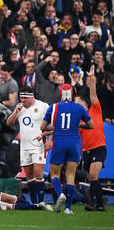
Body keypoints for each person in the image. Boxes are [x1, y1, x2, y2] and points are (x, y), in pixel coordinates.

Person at [41, 84, 94, 214]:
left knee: (54, 174)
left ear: (60, 94)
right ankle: (68, 208)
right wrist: (78, 125)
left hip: (59, 141)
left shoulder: (53, 107)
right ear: (72, 94)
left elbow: (43, 126)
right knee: (71, 175)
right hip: (74, 143)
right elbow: (91, 125)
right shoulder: (78, 107)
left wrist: (55, 128)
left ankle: (60, 194)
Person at [7, 86, 50, 205]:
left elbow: (53, 124)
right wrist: (16, 112)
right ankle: (34, 203)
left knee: (38, 172)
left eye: (25, 98)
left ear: (32, 97)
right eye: (21, 98)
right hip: (24, 146)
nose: (23, 100)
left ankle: (41, 202)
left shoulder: (43, 106)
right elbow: (9, 123)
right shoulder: (20, 108)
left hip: (38, 145)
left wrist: (50, 138)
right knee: (29, 175)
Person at [75, 65, 107, 211]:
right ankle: (97, 204)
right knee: (92, 178)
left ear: (85, 104)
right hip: (86, 151)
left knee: (93, 175)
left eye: (79, 102)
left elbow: (93, 93)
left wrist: (92, 77)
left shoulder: (94, 108)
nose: (77, 104)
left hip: (99, 148)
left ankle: (96, 204)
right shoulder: (78, 121)